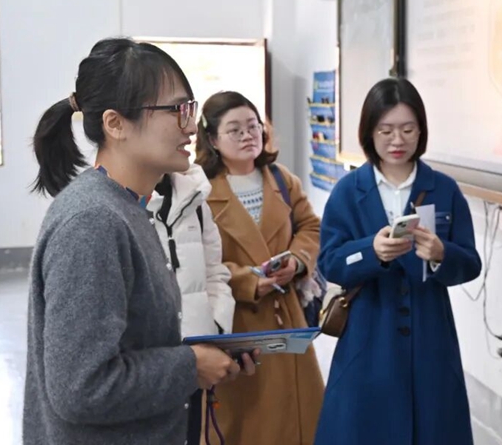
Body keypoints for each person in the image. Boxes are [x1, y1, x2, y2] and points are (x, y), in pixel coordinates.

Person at [24, 38, 255, 445]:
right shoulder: (92, 222)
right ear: (115, 124)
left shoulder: (129, 207)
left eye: (190, 109)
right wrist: (190, 366)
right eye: (176, 111)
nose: (190, 127)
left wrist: (208, 356)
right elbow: (81, 388)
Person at [314, 77, 482, 445]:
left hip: (430, 335)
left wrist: (441, 254)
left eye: (408, 129)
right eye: (386, 130)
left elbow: (470, 263)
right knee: (363, 429)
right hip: (367, 337)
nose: (397, 140)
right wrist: (370, 252)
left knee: (433, 428)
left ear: (421, 131)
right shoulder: (348, 191)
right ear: (369, 132)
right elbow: (329, 262)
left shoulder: (444, 188)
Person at [195, 90, 324, 445]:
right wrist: (246, 280)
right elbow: (196, 259)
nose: (247, 135)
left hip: (287, 317)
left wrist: (297, 260)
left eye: (253, 126)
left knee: (296, 417)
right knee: (244, 421)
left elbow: (310, 227)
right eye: (234, 130)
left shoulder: (282, 179)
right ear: (212, 139)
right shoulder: (200, 191)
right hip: (235, 323)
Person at [148, 163, 237, 444]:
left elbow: (215, 272)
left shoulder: (194, 196)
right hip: (148, 370)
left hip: (197, 361)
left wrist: (216, 330)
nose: (186, 140)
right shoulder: (117, 205)